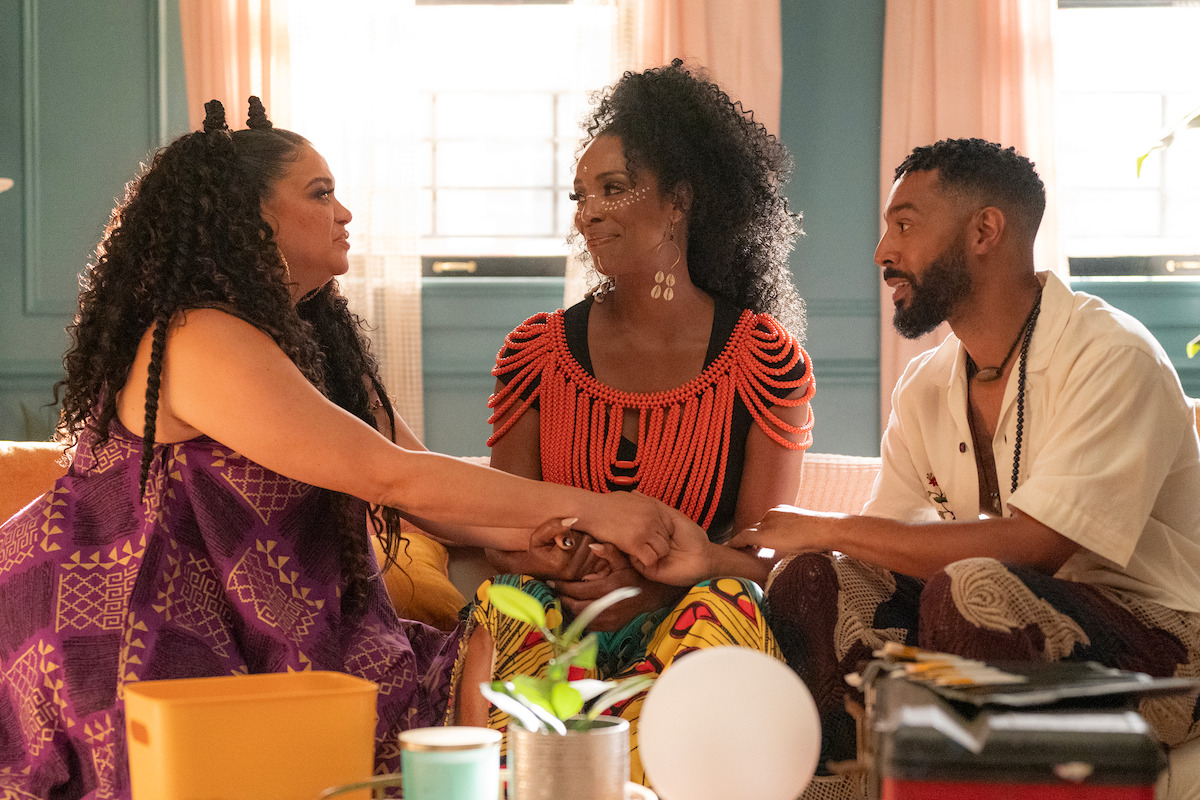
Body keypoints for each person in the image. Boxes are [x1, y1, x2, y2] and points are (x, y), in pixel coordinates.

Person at [0, 98, 700, 800]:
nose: (344, 213)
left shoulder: (312, 344)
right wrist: (604, 510)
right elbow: (393, 478)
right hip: (129, 628)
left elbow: (429, 494)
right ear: (250, 217)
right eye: (319, 193)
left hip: (280, 635)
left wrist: (540, 541)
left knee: (512, 638)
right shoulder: (197, 336)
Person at [727, 137, 1200, 793]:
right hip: (1006, 626)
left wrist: (828, 525)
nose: (882, 252)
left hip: (1168, 642)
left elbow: (1035, 548)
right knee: (816, 578)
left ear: (984, 231)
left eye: (905, 225)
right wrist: (750, 557)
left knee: (972, 588)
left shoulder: (1112, 356)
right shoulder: (926, 385)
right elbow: (883, 551)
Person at [466, 60, 816, 783]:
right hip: (558, 621)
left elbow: (766, 557)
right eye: (580, 195)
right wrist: (555, 563)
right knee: (510, 605)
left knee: (727, 601)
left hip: (688, 622)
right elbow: (500, 527)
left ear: (680, 201)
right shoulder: (537, 354)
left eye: (614, 188)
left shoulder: (762, 361)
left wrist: (666, 580)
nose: (587, 212)